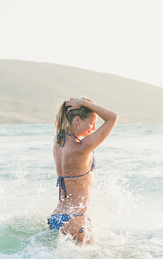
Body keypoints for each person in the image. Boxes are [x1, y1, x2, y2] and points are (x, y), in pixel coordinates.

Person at [48, 97, 118, 243]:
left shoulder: (58, 140)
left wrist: (82, 105)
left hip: (56, 217)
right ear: (77, 120)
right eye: (91, 123)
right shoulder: (82, 147)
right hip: (76, 220)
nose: (93, 129)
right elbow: (113, 117)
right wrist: (85, 104)